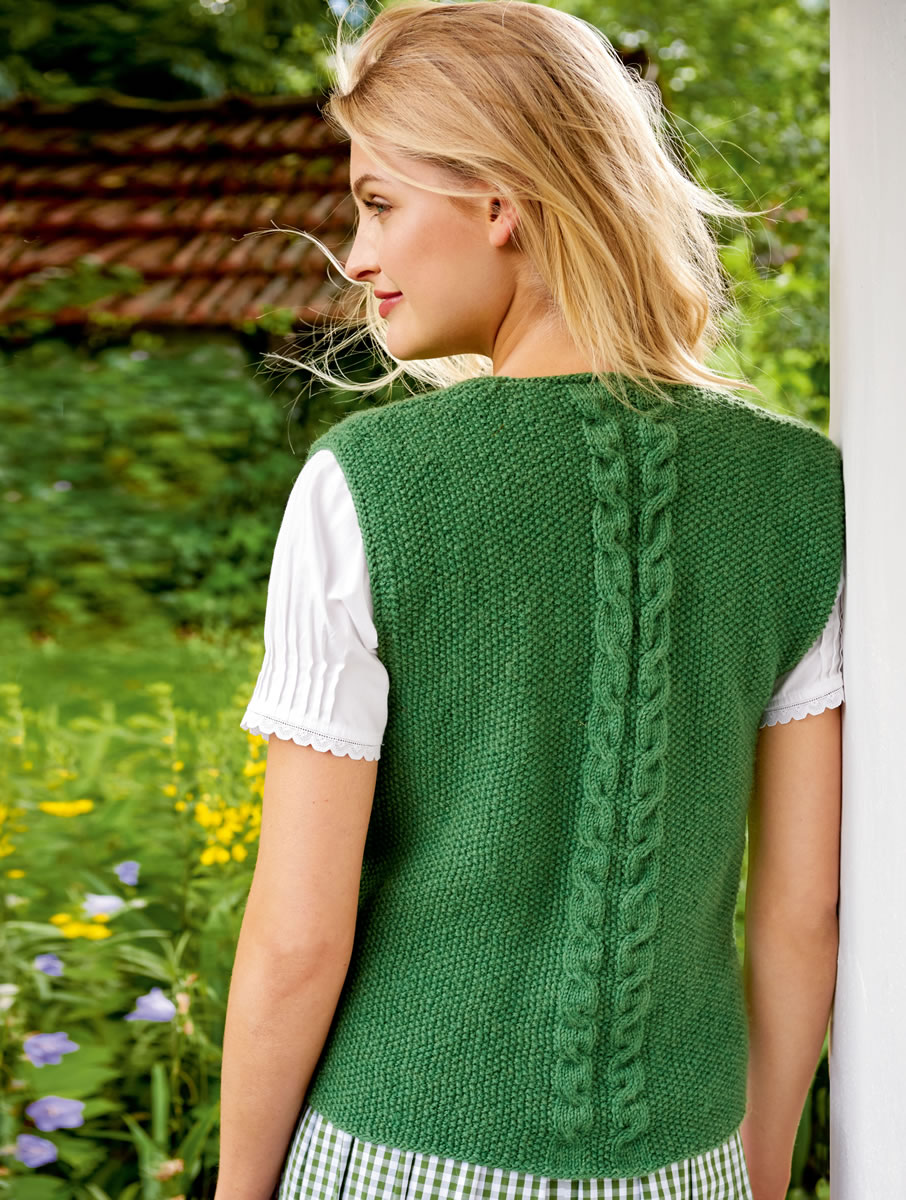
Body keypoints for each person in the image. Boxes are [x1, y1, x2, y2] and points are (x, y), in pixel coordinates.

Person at [216, 4, 845, 1200]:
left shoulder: (368, 486)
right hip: (688, 1163)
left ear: (499, 203)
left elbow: (297, 939)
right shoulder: (801, 492)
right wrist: (756, 1173)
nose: (354, 254)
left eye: (379, 204)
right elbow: (801, 911)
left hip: (397, 1158)